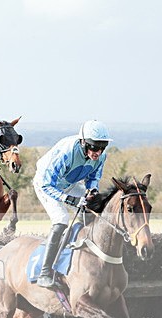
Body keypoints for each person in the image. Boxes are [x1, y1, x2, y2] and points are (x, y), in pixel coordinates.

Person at [33, 119, 112, 289]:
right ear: (83, 143)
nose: (97, 152)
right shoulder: (66, 153)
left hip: (70, 184)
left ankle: (83, 257)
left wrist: (92, 192)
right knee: (61, 220)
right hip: (46, 185)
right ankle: (44, 272)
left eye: (102, 147)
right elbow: (47, 184)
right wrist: (70, 199)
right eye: (93, 147)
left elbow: (93, 178)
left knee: (95, 211)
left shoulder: (101, 156)